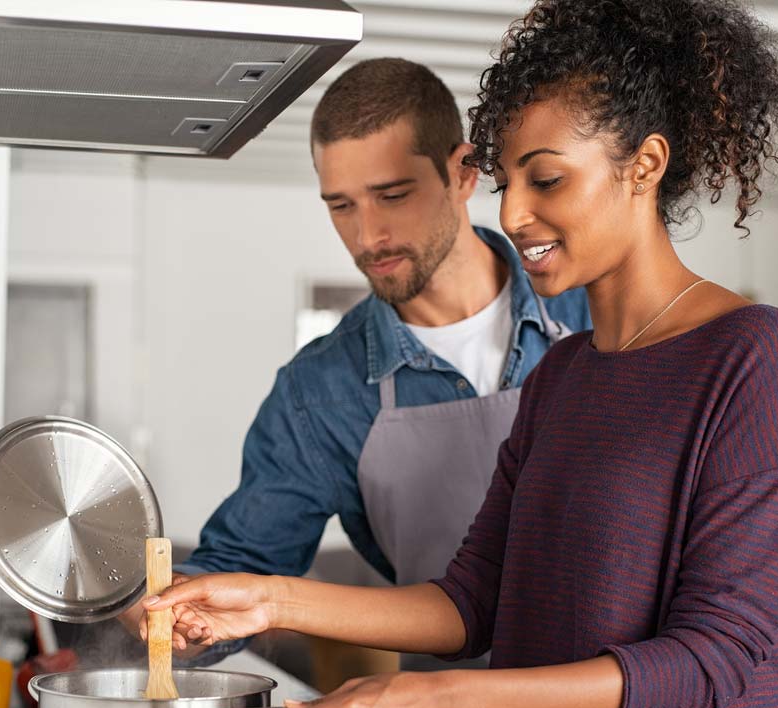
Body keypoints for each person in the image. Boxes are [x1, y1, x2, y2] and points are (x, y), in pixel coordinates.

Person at [144, 1, 778, 708]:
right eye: (510, 178)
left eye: (546, 178)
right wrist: (270, 601)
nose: (514, 213)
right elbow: (470, 602)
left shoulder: (754, 356)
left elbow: (714, 659)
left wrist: (441, 700)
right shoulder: (562, 376)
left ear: (646, 164)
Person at [126, 58, 590, 672]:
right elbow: (243, 565)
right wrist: (177, 609)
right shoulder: (318, 393)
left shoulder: (594, 314)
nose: (368, 236)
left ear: (463, 173)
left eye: (392, 196)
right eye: (340, 206)